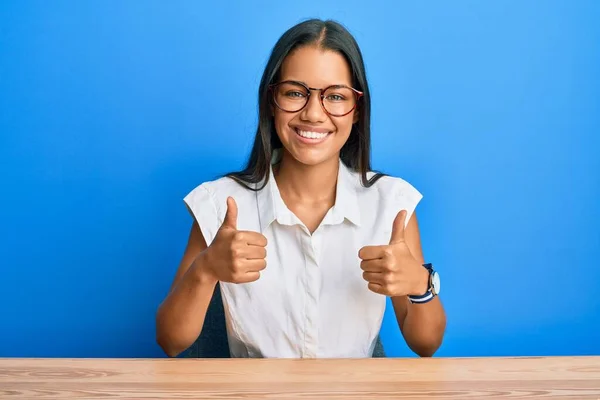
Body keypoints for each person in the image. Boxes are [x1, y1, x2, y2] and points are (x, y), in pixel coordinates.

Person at [156, 18, 446, 358]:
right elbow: (170, 340)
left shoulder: (390, 204)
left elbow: (425, 344)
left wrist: (420, 286)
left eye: (335, 96)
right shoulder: (221, 203)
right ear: (270, 101)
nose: (313, 114)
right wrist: (204, 271)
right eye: (295, 93)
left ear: (356, 111)